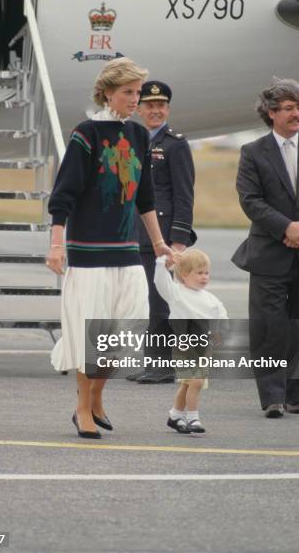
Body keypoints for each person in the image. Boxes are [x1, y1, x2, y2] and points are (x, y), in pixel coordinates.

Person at [46, 57, 173, 439]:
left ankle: (98, 396)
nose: (135, 99)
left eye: (137, 92)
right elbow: (63, 194)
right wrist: (57, 244)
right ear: (108, 93)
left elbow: (145, 198)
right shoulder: (85, 134)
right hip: (88, 253)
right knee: (92, 332)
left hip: (127, 251)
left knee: (123, 332)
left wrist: (160, 243)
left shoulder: (138, 135)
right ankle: (83, 408)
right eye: (128, 92)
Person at [232, 78, 299, 418]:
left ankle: (294, 390)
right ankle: (272, 395)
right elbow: (250, 200)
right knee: (269, 327)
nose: (297, 114)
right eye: (289, 108)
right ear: (271, 113)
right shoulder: (252, 152)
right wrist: (285, 228)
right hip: (270, 254)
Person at [127, 80, 196, 384]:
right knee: (145, 300)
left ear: (167, 108)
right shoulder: (134, 140)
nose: (155, 110)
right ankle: (151, 362)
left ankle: (163, 365)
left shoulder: (175, 144)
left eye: (161, 105)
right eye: (149, 105)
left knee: (161, 302)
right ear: (139, 109)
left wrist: (178, 240)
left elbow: (184, 195)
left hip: (164, 238)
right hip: (137, 234)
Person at [154, 249, 228, 433]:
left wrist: (219, 332)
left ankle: (174, 416)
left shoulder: (210, 299)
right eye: (199, 273)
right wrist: (162, 263)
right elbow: (160, 281)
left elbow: (221, 315)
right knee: (195, 382)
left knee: (188, 384)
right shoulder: (176, 293)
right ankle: (193, 419)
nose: (204, 277)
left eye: (207, 273)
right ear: (185, 275)